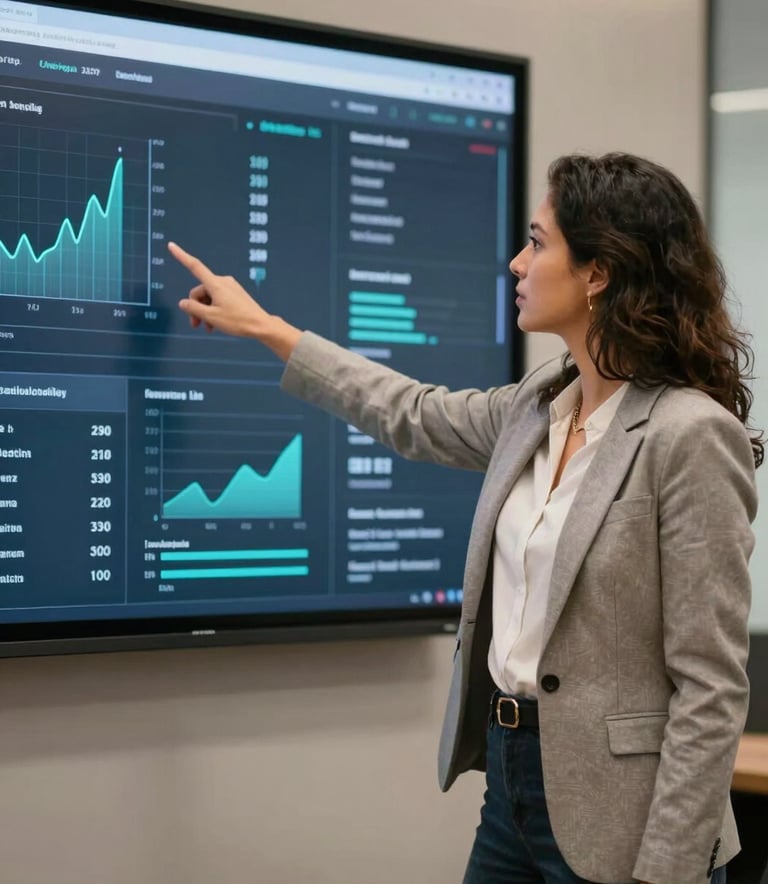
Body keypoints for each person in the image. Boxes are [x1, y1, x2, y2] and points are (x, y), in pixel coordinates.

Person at [168, 152, 761, 884]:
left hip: (625, 813)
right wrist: (266, 329)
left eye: (539, 243)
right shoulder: (540, 402)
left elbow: (710, 684)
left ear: (598, 272)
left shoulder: (689, 433)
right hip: (512, 782)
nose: (516, 262)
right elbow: (409, 413)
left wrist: (667, 871)